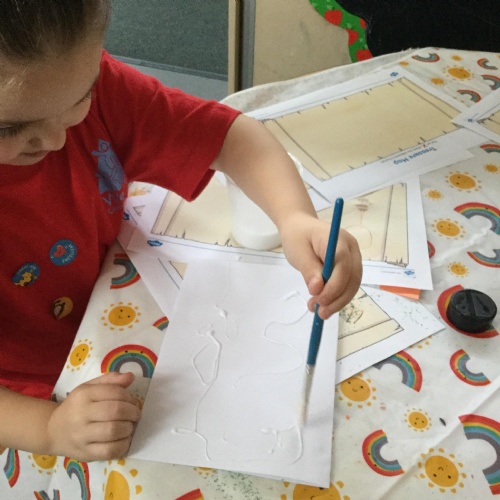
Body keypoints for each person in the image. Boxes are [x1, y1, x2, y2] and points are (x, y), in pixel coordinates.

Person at [0, 0, 362, 462]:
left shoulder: (77, 83)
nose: (56, 140)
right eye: (8, 128)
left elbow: (232, 137)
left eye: (79, 99)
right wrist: (47, 429)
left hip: (111, 310)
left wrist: (295, 218)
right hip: (24, 398)